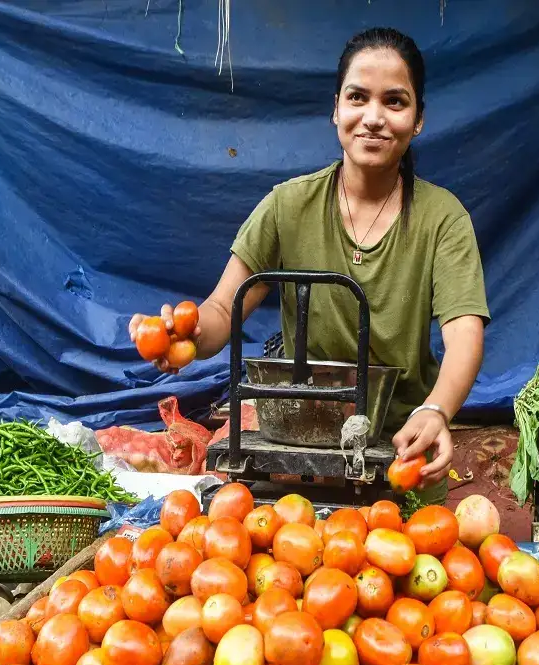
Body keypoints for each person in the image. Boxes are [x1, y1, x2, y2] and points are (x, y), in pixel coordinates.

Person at [130, 27, 489, 501]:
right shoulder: (287, 206)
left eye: (395, 102)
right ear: (336, 108)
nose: (373, 118)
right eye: (358, 97)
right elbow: (222, 309)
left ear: (418, 118)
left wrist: (437, 412)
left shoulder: (443, 218)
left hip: (401, 448)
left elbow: (464, 332)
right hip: (297, 452)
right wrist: (185, 335)